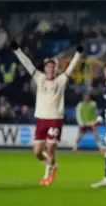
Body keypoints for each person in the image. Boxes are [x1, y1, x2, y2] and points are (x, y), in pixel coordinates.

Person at [11, 42, 82, 185]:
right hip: (41, 119)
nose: (50, 68)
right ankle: (52, 165)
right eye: (48, 66)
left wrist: (78, 54)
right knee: (37, 152)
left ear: (56, 68)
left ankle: (47, 175)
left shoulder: (61, 80)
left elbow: (71, 68)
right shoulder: (40, 78)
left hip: (55, 119)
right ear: (45, 68)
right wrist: (17, 50)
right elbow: (28, 64)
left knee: (50, 148)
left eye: (53, 66)